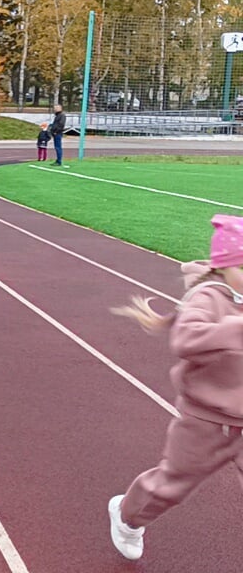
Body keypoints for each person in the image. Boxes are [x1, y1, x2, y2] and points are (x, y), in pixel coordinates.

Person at [106, 215, 243, 561]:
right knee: (171, 485)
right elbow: (186, 340)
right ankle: (127, 515)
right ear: (224, 266)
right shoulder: (208, 297)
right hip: (207, 420)